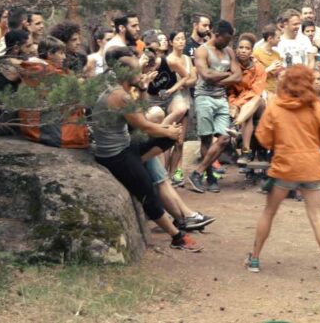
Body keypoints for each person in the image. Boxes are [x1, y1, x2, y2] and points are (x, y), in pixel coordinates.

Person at [90, 47, 200, 251]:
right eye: (137, 71)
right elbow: (145, 126)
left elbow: (143, 112)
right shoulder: (119, 96)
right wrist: (167, 131)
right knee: (148, 191)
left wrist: (142, 89)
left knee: (169, 136)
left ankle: (136, 165)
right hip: (115, 155)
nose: (141, 74)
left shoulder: (123, 91)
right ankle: (177, 237)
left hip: (126, 146)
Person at [245, 65, 320, 283]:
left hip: (284, 168)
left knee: (269, 212)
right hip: (311, 167)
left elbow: (264, 139)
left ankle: (255, 259)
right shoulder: (317, 107)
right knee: (316, 216)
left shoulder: (276, 106)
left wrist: (281, 142)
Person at [188, 20, 242, 193]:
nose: (228, 42)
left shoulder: (229, 51)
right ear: (217, 35)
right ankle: (210, 177)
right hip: (203, 97)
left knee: (224, 138)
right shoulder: (202, 51)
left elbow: (238, 76)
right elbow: (205, 75)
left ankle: (197, 173)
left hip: (221, 98)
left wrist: (218, 77)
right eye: (226, 39)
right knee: (206, 139)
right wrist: (227, 74)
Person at [161, 29, 196, 184]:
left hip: (186, 98)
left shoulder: (187, 59)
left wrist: (183, 83)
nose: (181, 41)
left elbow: (194, 79)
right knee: (169, 138)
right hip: (172, 101)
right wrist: (179, 84)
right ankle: (164, 173)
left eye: (183, 39)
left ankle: (175, 172)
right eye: (178, 39)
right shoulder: (168, 60)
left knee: (180, 140)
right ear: (171, 42)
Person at [230, 33, 268, 164]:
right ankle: (246, 152)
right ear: (236, 49)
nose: (243, 51)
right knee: (248, 114)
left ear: (251, 51)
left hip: (257, 103)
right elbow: (230, 91)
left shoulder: (259, 67)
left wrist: (238, 104)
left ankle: (236, 124)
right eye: (241, 47)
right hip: (242, 106)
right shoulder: (232, 67)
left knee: (256, 99)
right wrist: (233, 104)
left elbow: (256, 91)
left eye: (247, 48)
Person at [252, 24, 284, 96]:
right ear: (270, 39)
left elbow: (280, 74)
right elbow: (254, 75)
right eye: (278, 37)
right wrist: (270, 68)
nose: (280, 40)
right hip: (263, 92)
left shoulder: (277, 54)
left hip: (276, 91)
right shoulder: (257, 53)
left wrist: (281, 69)